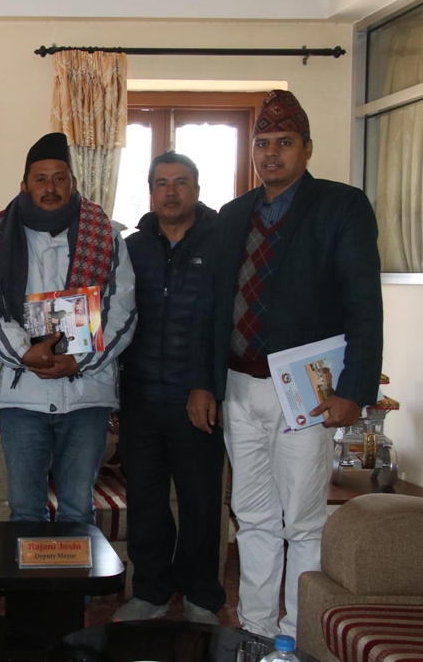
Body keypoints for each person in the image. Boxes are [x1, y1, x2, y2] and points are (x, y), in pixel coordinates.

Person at [187, 90, 383, 638]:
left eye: (284, 143)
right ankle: (254, 627)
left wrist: (355, 389)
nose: (271, 154)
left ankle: (297, 633)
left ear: (307, 148)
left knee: (302, 519)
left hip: (305, 393)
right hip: (237, 387)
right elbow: (211, 307)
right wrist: (202, 383)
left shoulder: (341, 206)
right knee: (251, 515)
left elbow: (364, 304)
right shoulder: (233, 215)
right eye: (263, 144)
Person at [0, 131, 136, 526]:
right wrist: (25, 353)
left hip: (87, 394)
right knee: (26, 511)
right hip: (22, 396)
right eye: (40, 179)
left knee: (78, 510)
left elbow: (123, 309)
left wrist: (79, 360)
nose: (50, 188)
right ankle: (28, 574)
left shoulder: (106, 234)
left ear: (73, 184)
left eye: (59, 178)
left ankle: (72, 573)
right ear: (24, 186)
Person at [113, 152, 224, 625]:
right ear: (151, 192)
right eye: (162, 183)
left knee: (201, 502)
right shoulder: (130, 248)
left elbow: (223, 322)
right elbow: (114, 319)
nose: (171, 191)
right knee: (145, 502)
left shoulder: (222, 243)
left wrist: (206, 384)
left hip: (197, 399)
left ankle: (201, 596)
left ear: (196, 189)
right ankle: (151, 592)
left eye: (181, 182)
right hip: (139, 397)